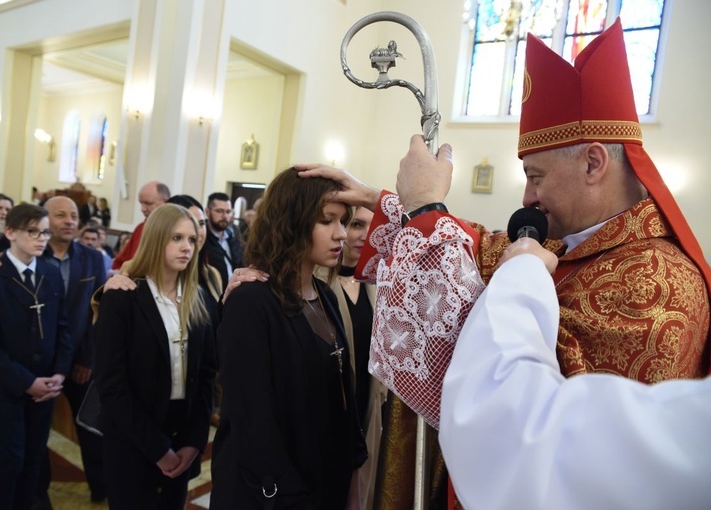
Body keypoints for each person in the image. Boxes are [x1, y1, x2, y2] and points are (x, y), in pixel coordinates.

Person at [298, 19, 711, 509]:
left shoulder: (657, 285)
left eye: (535, 176)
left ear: (594, 163)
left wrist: (428, 209)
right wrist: (392, 203)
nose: (527, 197)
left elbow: (519, 414)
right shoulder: (584, 245)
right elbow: (487, 251)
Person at [440, 237, 711, 510]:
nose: (527, 200)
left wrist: (521, 269)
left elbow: (513, 426)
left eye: (538, 189)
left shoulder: (648, 275)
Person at [210, 168, 367, 509]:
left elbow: (344, 395)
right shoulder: (251, 300)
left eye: (344, 221)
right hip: (274, 494)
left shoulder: (324, 295)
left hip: (325, 481)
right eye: (328, 221)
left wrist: (352, 479)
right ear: (292, 221)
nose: (341, 234)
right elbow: (253, 421)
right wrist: (290, 496)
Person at [94, 203, 216, 509]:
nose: (186, 247)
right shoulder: (123, 297)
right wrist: (158, 449)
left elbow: (204, 376)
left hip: (181, 431)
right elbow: (112, 384)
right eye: (176, 238)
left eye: (191, 239)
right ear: (156, 239)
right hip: (133, 435)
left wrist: (194, 442)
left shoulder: (197, 298)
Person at [0, 203, 72, 509]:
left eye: (44, 232)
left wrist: (60, 374)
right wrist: (26, 382)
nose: (41, 239)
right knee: (9, 462)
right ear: (10, 232)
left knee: (33, 460)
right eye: (32, 231)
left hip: (46, 388)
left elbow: (63, 328)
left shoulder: (51, 275)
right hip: (8, 388)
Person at [31, 196, 108, 505]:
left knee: (91, 428)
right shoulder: (33, 252)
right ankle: (39, 493)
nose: (69, 220)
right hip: (37, 360)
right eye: (60, 215)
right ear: (45, 220)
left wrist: (88, 358)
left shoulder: (91, 257)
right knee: (37, 430)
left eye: (73, 215)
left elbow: (98, 309)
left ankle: (101, 486)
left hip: (80, 360)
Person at [326, 206, 385, 510]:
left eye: (371, 226)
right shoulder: (319, 285)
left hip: (368, 402)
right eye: (356, 224)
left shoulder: (376, 285)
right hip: (331, 408)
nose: (365, 235)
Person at [111, 180, 170, 270]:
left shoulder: (175, 230)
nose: (142, 209)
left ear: (165, 202)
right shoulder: (140, 228)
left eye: (148, 203)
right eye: (141, 203)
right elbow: (120, 263)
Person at [204, 192, 243, 289]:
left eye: (228, 211)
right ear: (207, 212)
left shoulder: (233, 238)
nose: (225, 216)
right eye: (219, 211)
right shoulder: (202, 239)